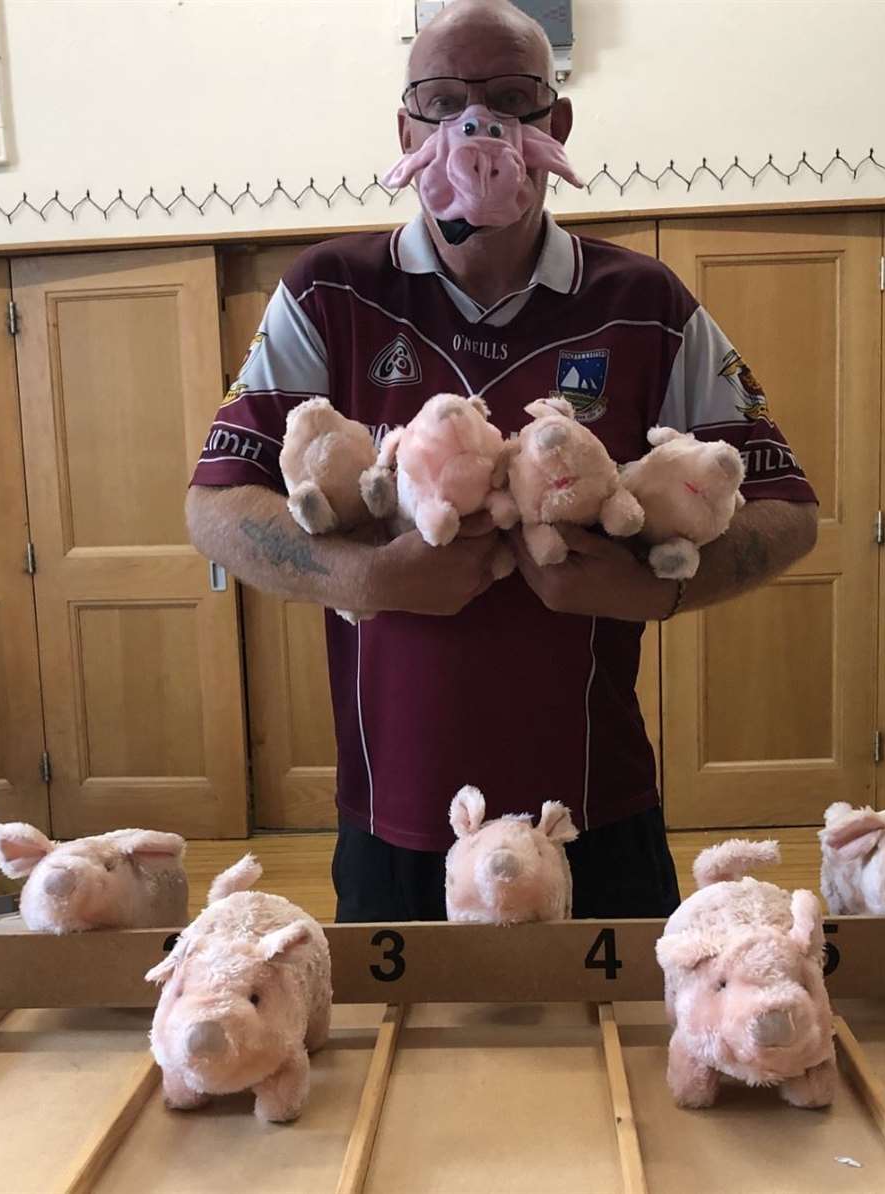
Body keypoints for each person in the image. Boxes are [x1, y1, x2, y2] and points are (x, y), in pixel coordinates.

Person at [186, 0, 818, 922]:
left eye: (512, 99)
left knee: (625, 1057)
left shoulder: (644, 301)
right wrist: (368, 575)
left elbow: (786, 508)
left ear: (554, 125)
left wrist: (658, 589)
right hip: (396, 818)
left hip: (596, 808)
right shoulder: (327, 292)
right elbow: (217, 503)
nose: (474, 127)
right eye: (441, 101)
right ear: (405, 127)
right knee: (404, 1062)